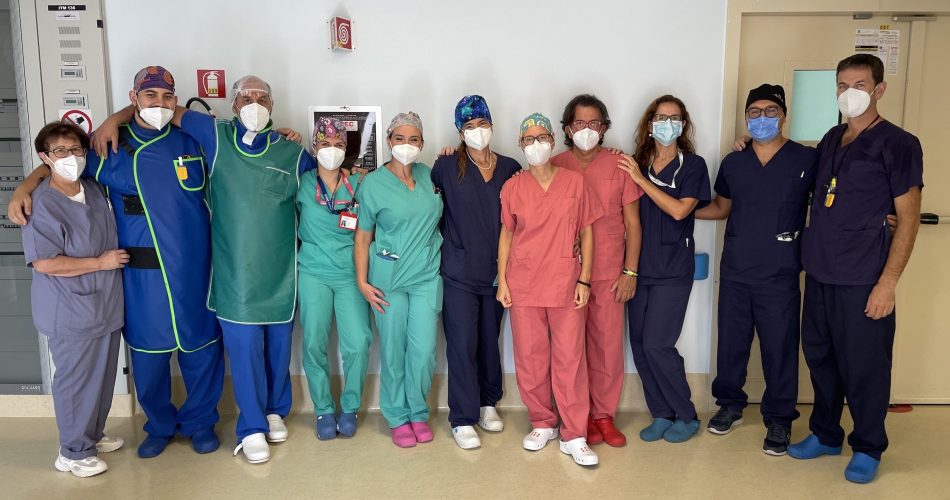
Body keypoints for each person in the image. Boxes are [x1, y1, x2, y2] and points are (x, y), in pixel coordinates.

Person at [9, 66, 224, 459]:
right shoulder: (109, 149)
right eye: (150, 95)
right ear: (133, 98)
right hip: (141, 278)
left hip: (194, 271)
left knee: (201, 349)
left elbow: (239, 150)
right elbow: (60, 163)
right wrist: (24, 186)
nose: (159, 104)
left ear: (175, 100)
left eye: (166, 97)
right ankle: (159, 426)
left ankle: (200, 423)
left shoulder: (192, 141)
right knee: (148, 357)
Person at [787, 54, 923, 484]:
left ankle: (867, 446)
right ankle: (826, 434)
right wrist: (745, 144)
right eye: (843, 85)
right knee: (820, 358)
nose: (850, 93)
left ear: (879, 89)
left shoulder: (900, 143)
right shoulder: (833, 137)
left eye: (860, 85)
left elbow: (909, 218)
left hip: (864, 277)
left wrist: (888, 283)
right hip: (821, 270)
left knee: (865, 366)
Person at [696, 84, 816, 455]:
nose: (762, 118)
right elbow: (721, 208)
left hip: (780, 272)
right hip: (736, 268)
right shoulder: (734, 162)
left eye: (770, 111)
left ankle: (779, 419)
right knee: (731, 343)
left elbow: (830, 204)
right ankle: (730, 405)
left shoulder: (806, 159)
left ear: (783, 116)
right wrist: (675, 211)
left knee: (779, 348)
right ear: (746, 117)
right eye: (754, 112)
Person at [498, 112, 603, 466]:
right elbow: (507, 234)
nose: (536, 144)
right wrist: (503, 281)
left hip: (565, 283)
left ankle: (574, 434)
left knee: (570, 360)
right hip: (524, 284)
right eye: (529, 139)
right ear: (521, 145)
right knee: (530, 358)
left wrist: (585, 278)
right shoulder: (513, 187)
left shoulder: (575, 183)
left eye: (542, 137)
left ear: (553, 141)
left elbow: (587, 231)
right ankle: (543, 422)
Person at [22, 122, 125, 477]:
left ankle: (92, 435)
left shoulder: (92, 189)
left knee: (102, 376)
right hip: (69, 309)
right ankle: (73, 452)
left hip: (105, 304)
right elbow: (45, 262)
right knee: (76, 380)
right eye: (60, 151)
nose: (70, 157)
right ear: (45, 157)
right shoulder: (41, 204)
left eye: (76, 150)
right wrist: (100, 263)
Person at [617, 95, 711, 444]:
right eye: (660, 117)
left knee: (658, 344)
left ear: (683, 125)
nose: (666, 124)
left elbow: (679, 210)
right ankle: (661, 413)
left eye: (674, 118)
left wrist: (641, 180)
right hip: (639, 268)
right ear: (649, 124)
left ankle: (686, 414)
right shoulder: (637, 162)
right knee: (640, 345)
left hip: (673, 269)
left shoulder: (693, 165)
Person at [431, 95, 522, 450]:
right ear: (460, 132)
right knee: (462, 343)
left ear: (492, 125)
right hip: (459, 272)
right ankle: (462, 417)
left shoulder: (510, 168)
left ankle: (488, 403)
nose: (477, 131)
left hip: (498, 273)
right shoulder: (445, 167)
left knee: (488, 340)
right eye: (469, 126)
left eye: (482, 124)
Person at [552, 94, 643, 447]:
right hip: (564, 275)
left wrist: (630, 272)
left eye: (594, 123)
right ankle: (578, 415)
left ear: (604, 128)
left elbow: (632, 223)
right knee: (570, 349)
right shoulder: (554, 165)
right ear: (567, 128)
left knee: (606, 346)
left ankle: (603, 415)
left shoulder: (619, 165)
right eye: (579, 123)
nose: (586, 129)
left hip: (609, 273)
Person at [354, 112, 444, 448]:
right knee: (393, 350)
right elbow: (362, 237)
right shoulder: (373, 184)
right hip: (387, 281)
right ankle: (397, 416)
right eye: (400, 138)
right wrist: (362, 282)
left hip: (425, 277)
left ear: (422, 143)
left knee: (424, 351)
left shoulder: (430, 176)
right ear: (389, 141)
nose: (407, 145)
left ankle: (418, 412)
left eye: (414, 139)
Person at [297, 118, 373, 440]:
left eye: (339, 145)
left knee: (358, 342)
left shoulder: (359, 183)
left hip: (350, 273)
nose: (332, 150)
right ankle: (324, 409)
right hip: (313, 272)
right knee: (314, 341)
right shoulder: (301, 182)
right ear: (315, 147)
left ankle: (350, 406)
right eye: (325, 144)